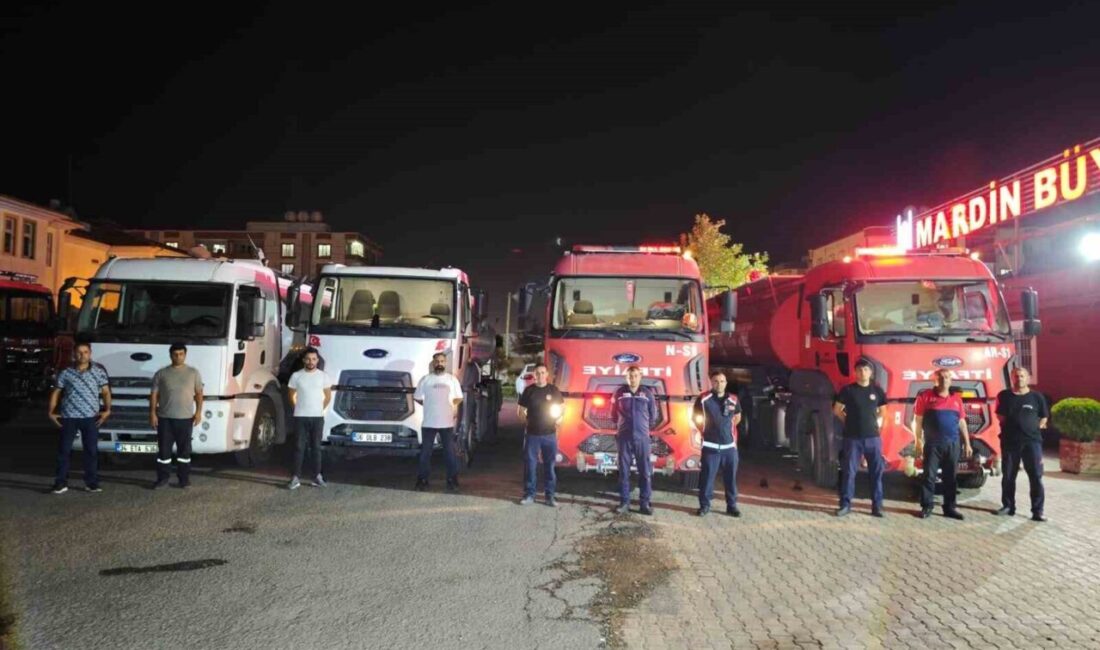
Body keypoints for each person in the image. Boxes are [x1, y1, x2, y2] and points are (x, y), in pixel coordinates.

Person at [48, 341, 111, 494]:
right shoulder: (66, 373)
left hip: (91, 418)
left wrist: (107, 410)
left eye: (85, 352)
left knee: (91, 451)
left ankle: (91, 483)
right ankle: (60, 483)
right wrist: (51, 412)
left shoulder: (99, 372)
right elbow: (56, 392)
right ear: (74, 354)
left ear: (90, 353)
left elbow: (105, 392)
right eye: (79, 352)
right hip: (69, 417)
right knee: (64, 451)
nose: (82, 355)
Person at [832, 359, 887, 517]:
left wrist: (874, 425)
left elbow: (883, 412)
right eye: (860, 370)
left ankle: (877, 507)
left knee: (876, 473)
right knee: (849, 472)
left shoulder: (877, 391)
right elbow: (837, 410)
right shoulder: (848, 390)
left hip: (873, 439)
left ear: (870, 373)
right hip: (852, 438)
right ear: (855, 372)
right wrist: (847, 421)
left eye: (866, 370)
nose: (863, 373)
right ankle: (845, 505)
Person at [914, 369, 971, 519]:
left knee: (950, 477)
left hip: (952, 444)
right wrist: (918, 440)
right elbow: (918, 420)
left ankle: (949, 508)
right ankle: (927, 506)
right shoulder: (925, 396)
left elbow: (962, 422)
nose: (944, 380)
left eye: (947, 377)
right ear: (935, 380)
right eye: (941, 377)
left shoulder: (957, 399)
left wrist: (967, 443)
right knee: (929, 476)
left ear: (951, 380)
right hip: (933, 444)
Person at [995, 367, 1049, 522]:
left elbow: (1044, 417)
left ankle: (1037, 511)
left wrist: (1034, 427)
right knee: (1008, 476)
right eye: (1016, 376)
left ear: (1028, 378)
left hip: (1032, 442)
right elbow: (1000, 415)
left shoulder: (1037, 397)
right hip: (1010, 442)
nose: (1019, 378)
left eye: (1022, 376)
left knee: (1036, 476)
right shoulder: (1004, 395)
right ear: (1012, 378)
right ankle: (1008, 506)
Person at [150, 343, 203, 489]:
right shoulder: (161, 374)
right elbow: (154, 395)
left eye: (181, 354)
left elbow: (199, 394)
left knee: (184, 452)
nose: (178, 357)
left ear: (185, 355)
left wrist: (198, 412)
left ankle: (184, 480)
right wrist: (152, 413)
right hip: (165, 419)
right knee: (164, 452)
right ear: (170, 355)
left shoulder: (193, 373)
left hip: (185, 419)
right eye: (175, 354)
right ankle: (163, 479)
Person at [691, 369, 742, 517]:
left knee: (730, 479)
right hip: (710, 448)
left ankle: (732, 506)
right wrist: (706, 431)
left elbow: (737, 417)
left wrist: (726, 430)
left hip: (729, 448)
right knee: (707, 479)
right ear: (711, 383)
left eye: (722, 381)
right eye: (716, 381)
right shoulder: (703, 399)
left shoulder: (733, 399)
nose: (719, 384)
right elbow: (696, 418)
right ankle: (704, 506)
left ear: (726, 383)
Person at [611, 366, 658, 515]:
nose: (633, 379)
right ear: (626, 377)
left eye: (636, 375)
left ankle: (644, 504)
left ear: (640, 376)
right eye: (630, 376)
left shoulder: (647, 394)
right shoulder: (619, 393)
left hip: (642, 439)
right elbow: (613, 415)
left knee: (644, 472)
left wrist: (642, 429)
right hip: (624, 438)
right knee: (624, 472)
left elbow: (653, 415)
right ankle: (624, 503)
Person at [413, 352, 463, 492]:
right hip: (429, 423)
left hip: (446, 423)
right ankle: (422, 480)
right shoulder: (426, 380)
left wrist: (452, 407)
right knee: (425, 453)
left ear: (445, 363)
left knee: (450, 453)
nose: (439, 363)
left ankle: (452, 480)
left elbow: (458, 397)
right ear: (433, 363)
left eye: (442, 361)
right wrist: (429, 405)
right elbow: (417, 397)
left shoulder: (452, 380)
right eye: (437, 361)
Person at [517, 363, 565, 506]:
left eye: (543, 372)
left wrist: (559, 419)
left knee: (549, 467)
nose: (540, 375)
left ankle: (550, 497)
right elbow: (521, 411)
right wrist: (527, 423)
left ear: (547, 374)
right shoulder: (529, 391)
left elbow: (562, 407)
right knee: (530, 466)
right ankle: (529, 495)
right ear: (534, 375)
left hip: (549, 435)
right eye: (537, 373)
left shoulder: (553, 390)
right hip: (532, 435)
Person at [287, 347, 333, 490]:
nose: (311, 362)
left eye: (313, 359)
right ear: (303, 360)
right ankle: (295, 477)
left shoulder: (323, 376)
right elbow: (291, 395)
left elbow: (328, 397)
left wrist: (318, 409)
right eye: (308, 359)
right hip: (300, 417)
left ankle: (317, 477)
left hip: (317, 417)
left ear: (317, 360)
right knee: (298, 447)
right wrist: (299, 408)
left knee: (316, 447)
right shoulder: (296, 376)